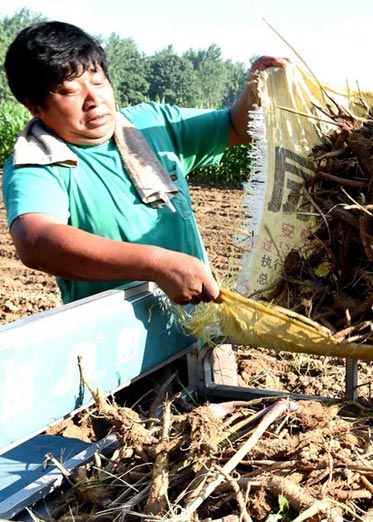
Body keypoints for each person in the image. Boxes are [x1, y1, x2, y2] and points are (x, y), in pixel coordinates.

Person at [1, 20, 287, 307]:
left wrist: (256, 89)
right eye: (70, 91)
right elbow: (36, 242)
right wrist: (157, 263)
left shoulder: (150, 124)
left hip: (200, 331)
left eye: (99, 82)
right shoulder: (38, 162)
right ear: (34, 105)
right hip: (122, 341)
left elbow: (235, 127)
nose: (94, 100)